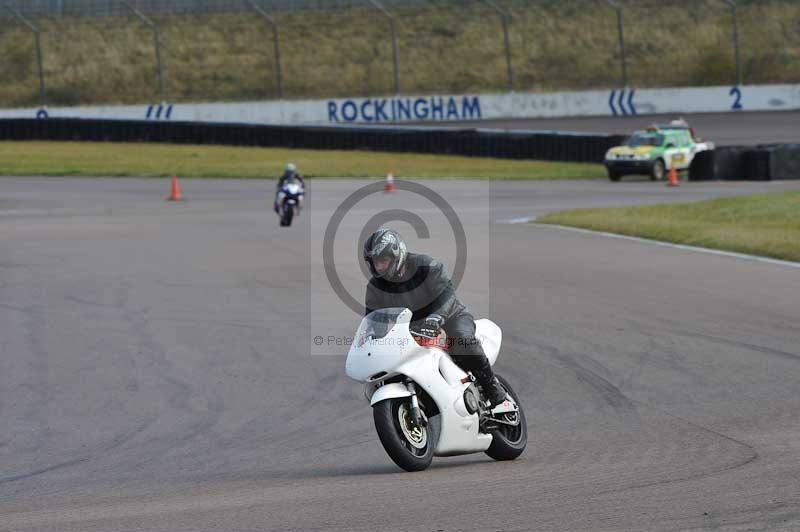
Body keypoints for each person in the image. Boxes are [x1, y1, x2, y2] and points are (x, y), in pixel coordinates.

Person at [362, 228, 507, 407]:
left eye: (383, 261)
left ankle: (492, 387)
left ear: (396, 254)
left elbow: (447, 294)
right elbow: (373, 319)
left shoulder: (425, 266)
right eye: (376, 263)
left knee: (462, 341)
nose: (380, 267)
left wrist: (436, 317)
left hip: (450, 318)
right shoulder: (375, 287)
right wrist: (369, 339)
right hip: (411, 332)